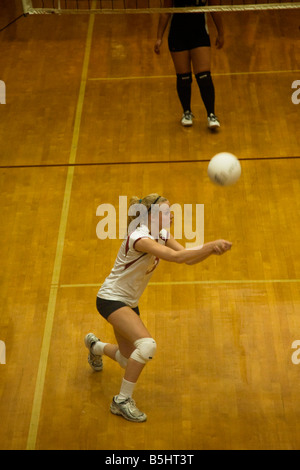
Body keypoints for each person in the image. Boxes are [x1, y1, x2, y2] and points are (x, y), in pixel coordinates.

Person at [85, 194, 232, 422]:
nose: (171, 215)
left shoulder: (160, 234)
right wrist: (209, 245)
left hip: (128, 302)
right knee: (146, 346)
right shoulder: (139, 237)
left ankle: (95, 346)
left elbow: (187, 258)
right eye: (165, 212)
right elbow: (176, 257)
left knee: (127, 360)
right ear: (149, 217)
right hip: (111, 299)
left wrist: (210, 251)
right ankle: (121, 401)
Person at [154, 0, 224, 129]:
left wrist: (221, 33)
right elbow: (165, 12)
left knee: (204, 76)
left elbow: (215, 9)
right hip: (177, 35)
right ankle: (187, 112)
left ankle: (211, 115)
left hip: (199, 34)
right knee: (183, 77)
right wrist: (159, 38)